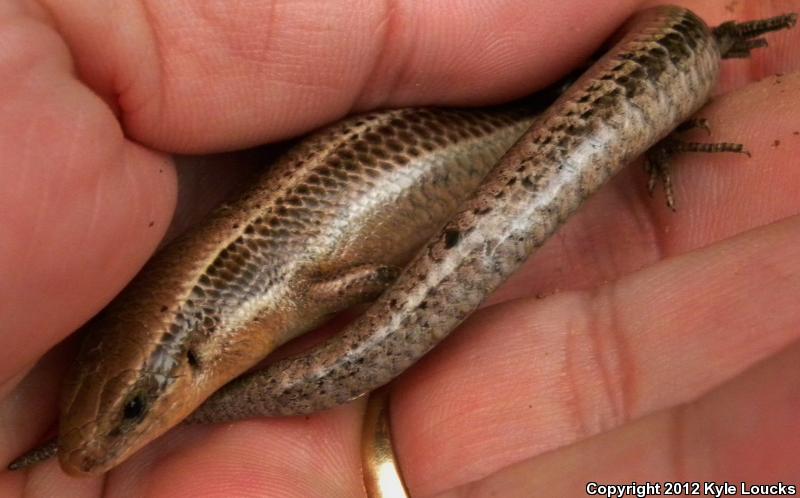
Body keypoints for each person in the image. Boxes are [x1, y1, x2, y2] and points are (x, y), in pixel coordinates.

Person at [2, 0, 799, 495]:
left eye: (137, 410)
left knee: (615, 95)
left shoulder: (244, 310)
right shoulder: (220, 319)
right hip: (452, 156)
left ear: (187, 361)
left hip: (489, 130)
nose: (106, 448)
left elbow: (355, 279)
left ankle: (676, 84)